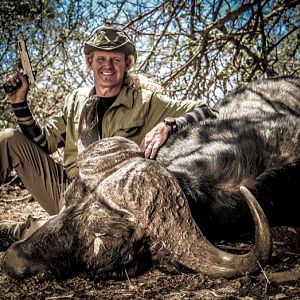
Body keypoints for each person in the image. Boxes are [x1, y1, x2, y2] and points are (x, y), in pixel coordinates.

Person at [0, 27, 217, 251]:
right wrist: (19, 104)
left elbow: (207, 110)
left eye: (115, 59)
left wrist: (168, 124)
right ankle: (41, 228)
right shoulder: (75, 100)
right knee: (8, 138)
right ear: (89, 63)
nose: (108, 66)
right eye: (100, 59)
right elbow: (44, 143)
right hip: (68, 193)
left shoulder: (145, 101)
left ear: (127, 64)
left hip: (109, 206)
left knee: (57, 242)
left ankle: (31, 231)